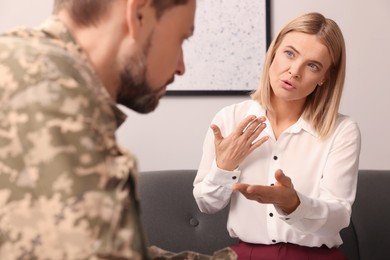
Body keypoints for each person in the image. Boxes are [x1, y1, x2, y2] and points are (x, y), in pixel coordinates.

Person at [0, 0, 237, 259]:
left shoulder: (28, 64)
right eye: (182, 39)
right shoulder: (51, 93)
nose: (181, 67)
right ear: (138, 15)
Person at [193, 12, 361, 260]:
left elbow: (338, 217)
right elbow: (207, 204)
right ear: (273, 52)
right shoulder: (228, 119)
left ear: (325, 77)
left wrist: (294, 204)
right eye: (290, 54)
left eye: (312, 65)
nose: (294, 71)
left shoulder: (342, 131)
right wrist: (224, 168)